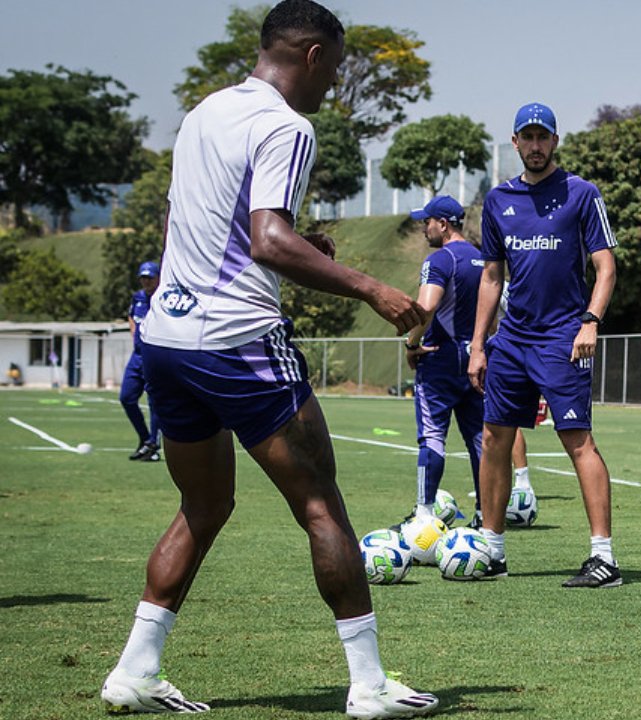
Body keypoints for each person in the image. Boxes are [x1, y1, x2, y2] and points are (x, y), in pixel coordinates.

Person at [100, 2, 438, 717]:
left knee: (204, 504)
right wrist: (374, 288)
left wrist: (300, 245)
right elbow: (266, 240)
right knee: (319, 503)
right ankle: (370, 685)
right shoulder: (288, 125)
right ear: (312, 55)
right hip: (239, 343)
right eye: (335, 68)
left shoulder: (203, 114)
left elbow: (190, 222)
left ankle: (135, 670)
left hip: (168, 338)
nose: (333, 84)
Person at [468, 102, 621, 588]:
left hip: (563, 336)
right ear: (515, 142)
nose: (535, 145)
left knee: (578, 440)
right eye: (527, 137)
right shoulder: (498, 200)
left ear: (555, 141)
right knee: (494, 438)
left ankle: (604, 559)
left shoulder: (582, 193)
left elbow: (605, 267)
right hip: (512, 339)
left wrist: (590, 322)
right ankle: (492, 550)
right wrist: (478, 344)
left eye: (543, 137)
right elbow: (492, 276)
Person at [404, 195, 484, 527]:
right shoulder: (483, 258)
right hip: (477, 357)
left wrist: (412, 343)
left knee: (433, 435)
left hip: (441, 357)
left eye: (427, 222)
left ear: (443, 224)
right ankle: (485, 517)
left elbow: (426, 307)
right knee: (480, 438)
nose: (424, 228)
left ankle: (424, 515)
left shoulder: (440, 259)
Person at [122, 261, 163, 462]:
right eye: (143, 278)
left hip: (155, 357)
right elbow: (131, 315)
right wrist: (133, 332)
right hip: (137, 356)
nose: (146, 282)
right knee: (127, 398)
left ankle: (153, 444)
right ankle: (145, 439)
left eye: (150, 278)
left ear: (158, 278)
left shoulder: (163, 298)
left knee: (154, 401)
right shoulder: (137, 297)